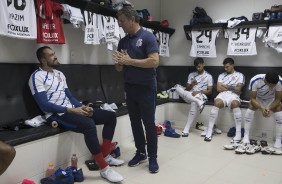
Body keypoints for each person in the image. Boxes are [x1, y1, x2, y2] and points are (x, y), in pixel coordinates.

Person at [29, 46, 124, 183]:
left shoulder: (59, 74)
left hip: (71, 109)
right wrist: (71, 110)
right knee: (89, 125)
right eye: (51, 55)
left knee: (110, 116)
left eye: (54, 53)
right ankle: (104, 169)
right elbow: (44, 105)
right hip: (56, 115)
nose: (55, 56)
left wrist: (83, 107)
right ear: (43, 60)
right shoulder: (36, 77)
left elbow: (70, 97)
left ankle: (105, 155)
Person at [113, 6, 160, 173]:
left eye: (122, 22)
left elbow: (154, 61)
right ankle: (141, 152)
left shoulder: (148, 37)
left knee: (148, 123)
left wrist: (130, 61)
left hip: (146, 88)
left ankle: (153, 157)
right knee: (134, 122)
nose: (120, 25)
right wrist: (119, 62)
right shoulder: (123, 41)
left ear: (132, 20)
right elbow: (119, 68)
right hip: (130, 88)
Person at [233, 72, 282, 154]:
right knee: (251, 106)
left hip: (271, 100)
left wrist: (268, 108)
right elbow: (252, 98)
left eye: (275, 85)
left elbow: (277, 99)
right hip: (258, 99)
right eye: (272, 85)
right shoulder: (255, 80)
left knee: (279, 108)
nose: (273, 87)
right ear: (266, 82)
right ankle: (246, 136)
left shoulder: (279, 81)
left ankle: (278, 139)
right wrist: (262, 108)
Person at [204, 58, 245, 142]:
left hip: (234, 95)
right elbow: (219, 89)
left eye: (227, 67)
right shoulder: (221, 75)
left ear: (232, 65)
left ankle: (238, 134)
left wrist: (226, 86)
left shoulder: (240, 75)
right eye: (224, 67)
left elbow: (238, 89)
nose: (225, 69)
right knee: (217, 103)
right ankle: (209, 131)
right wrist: (232, 87)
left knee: (235, 104)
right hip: (223, 95)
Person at [172, 58, 213, 137]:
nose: (198, 68)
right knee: (176, 87)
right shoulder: (191, 75)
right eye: (197, 67)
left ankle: (186, 129)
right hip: (189, 94)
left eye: (199, 66)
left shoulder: (208, 76)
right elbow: (187, 89)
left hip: (201, 95)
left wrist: (198, 92)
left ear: (203, 65)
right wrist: (192, 85)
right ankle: (199, 102)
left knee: (193, 103)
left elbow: (210, 91)